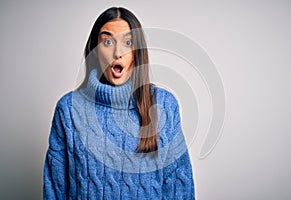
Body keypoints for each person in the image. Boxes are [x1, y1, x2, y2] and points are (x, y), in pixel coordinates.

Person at [43, 7, 195, 199]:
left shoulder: (164, 105)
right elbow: (55, 191)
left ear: (137, 52)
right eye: (107, 42)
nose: (117, 53)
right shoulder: (68, 109)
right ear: (95, 51)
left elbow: (180, 188)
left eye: (128, 43)